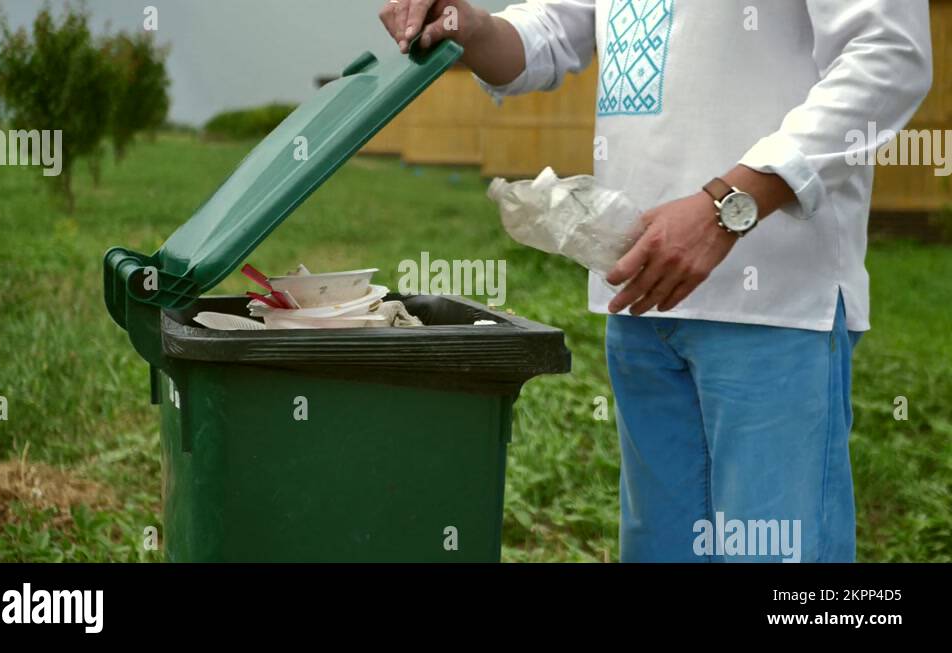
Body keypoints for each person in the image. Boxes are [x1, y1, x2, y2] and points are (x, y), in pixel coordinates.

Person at [379, 0, 933, 562]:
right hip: (643, 299)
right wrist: (472, 27)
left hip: (773, 304)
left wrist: (727, 205)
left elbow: (888, 57)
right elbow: (549, 30)